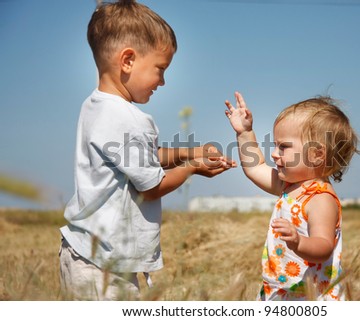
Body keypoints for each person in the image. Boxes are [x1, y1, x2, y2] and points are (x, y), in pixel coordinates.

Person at [59, 0, 235, 300]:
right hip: (104, 266)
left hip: (83, 255)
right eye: (160, 69)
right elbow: (151, 186)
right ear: (127, 60)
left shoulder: (96, 106)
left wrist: (188, 153)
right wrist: (193, 168)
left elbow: (140, 159)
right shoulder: (128, 118)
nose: (163, 81)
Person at [225, 91, 359, 300]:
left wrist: (299, 242)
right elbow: (256, 167)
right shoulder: (288, 187)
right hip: (281, 289)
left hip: (311, 295)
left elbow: (323, 245)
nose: (274, 153)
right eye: (276, 145)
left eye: (284, 147)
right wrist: (244, 132)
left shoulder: (320, 199)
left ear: (316, 154)